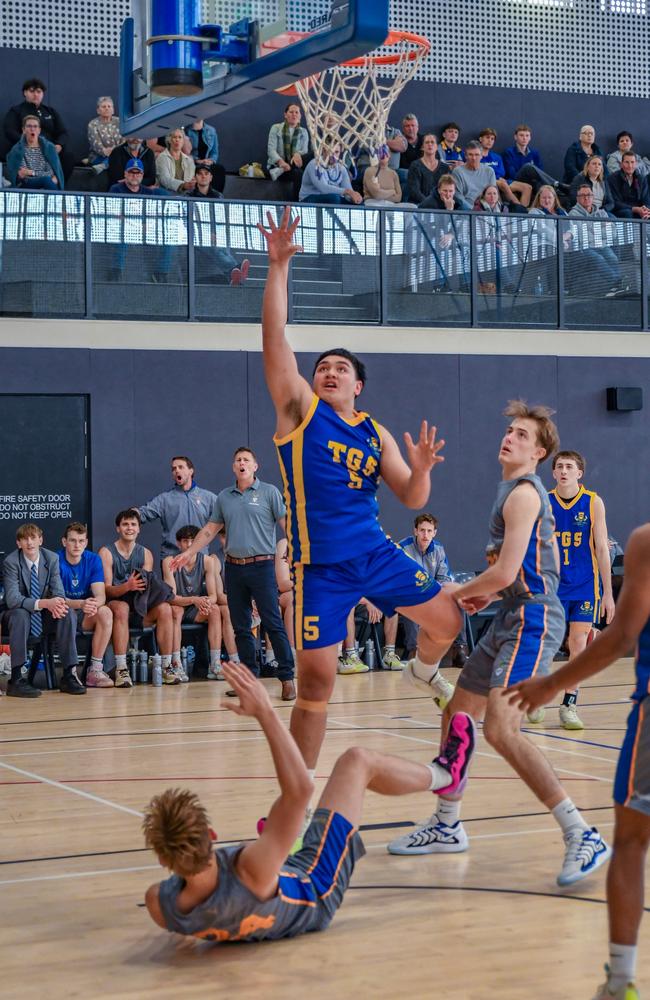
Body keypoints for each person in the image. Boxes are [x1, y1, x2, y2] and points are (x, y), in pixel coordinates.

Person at [249, 206, 462, 790]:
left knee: (449, 619)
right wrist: (277, 270)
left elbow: (411, 494)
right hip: (320, 569)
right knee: (317, 683)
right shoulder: (300, 411)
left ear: (358, 384)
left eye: (341, 367)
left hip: (374, 553)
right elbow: (275, 339)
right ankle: (296, 796)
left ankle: (422, 672)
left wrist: (421, 471)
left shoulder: (374, 432)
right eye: (323, 367)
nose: (329, 372)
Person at [387, 401, 611, 888]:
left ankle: (582, 833)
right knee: (457, 714)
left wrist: (456, 591)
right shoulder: (508, 489)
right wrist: (486, 592)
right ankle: (447, 823)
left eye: (523, 435)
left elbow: (510, 572)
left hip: (534, 618)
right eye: (509, 430)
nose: (510, 438)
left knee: (502, 730)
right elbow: (512, 571)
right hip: (511, 611)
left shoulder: (525, 495)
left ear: (540, 452)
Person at [142, 661, 476, 942]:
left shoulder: (161, 906)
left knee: (280, 831)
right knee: (356, 762)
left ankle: (284, 834)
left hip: (278, 894)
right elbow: (300, 790)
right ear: (211, 834)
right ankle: (447, 775)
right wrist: (265, 713)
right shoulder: (250, 868)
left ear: (162, 859)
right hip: (318, 884)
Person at [507, 522, 650, 1000]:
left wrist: (550, 684)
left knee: (630, 842)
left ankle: (619, 983)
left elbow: (622, 636)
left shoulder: (646, 540)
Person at [169, 447, 296, 701]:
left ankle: (287, 677)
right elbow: (209, 530)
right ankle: (249, 682)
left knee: (272, 623)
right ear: (233, 467)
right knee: (241, 628)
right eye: (237, 460)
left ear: (255, 466)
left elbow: (287, 526)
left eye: (246, 460)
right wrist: (190, 552)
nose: (241, 463)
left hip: (262, 566)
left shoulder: (269, 492)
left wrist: (297, 550)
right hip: (235, 568)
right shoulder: (224, 497)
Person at [544, 450, 615, 730]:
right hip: (554, 585)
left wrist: (608, 593)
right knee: (545, 645)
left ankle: (569, 703)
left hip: (586, 584)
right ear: (553, 473)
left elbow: (601, 548)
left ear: (579, 473)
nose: (563, 470)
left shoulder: (593, 502)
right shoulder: (545, 502)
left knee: (578, 643)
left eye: (569, 466)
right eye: (559, 466)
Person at [2, 523, 85, 697]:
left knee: (67, 612)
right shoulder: (11, 562)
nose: (29, 542)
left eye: (33, 538)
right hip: (17, 615)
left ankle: (69, 675)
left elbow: (59, 592)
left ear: (41, 540)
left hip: (43, 617)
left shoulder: (51, 558)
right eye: (25, 539)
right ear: (19, 543)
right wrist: (45, 603)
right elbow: (13, 600)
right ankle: (16, 679)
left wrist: (57, 604)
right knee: (20, 615)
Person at [99, 508, 177, 687]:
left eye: (133, 524)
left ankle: (166, 666)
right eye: (125, 524)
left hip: (139, 610)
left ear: (139, 529)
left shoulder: (146, 554)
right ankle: (121, 669)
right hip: (117, 610)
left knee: (166, 608)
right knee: (121, 607)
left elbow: (145, 591)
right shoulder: (106, 552)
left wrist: (139, 589)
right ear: (118, 528)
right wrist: (127, 586)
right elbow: (106, 590)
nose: (129, 528)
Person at [383, 513, 468, 669]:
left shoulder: (439, 550)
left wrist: (437, 592)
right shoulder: (403, 547)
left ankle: (459, 650)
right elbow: (399, 578)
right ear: (415, 531)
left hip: (433, 594)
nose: (425, 535)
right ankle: (414, 651)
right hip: (410, 594)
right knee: (411, 601)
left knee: (457, 600)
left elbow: (444, 579)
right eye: (422, 530)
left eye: (429, 531)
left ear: (434, 533)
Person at [163, 525, 224, 681]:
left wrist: (204, 602)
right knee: (176, 611)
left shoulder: (207, 561)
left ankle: (215, 664)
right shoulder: (169, 562)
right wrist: (194, 600)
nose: (189, 545)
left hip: (195, 607)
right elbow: (171, 597)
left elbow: (213, 596)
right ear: (178, 543)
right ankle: (176, 663)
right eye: (185, 541)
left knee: (215, 609)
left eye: (193, 541)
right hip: (178, 606)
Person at [58, 521, 114, 688]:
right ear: (64, 542)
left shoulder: (93, 559)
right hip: (62, 613)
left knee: (105, 612)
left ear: (86, 542)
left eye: (81, 541)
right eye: (73, 540)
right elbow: (56, 598)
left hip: (84, 611)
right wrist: (81, 603)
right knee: (66, 612)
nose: (77, 545)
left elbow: (101, 595)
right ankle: (71, 672)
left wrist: (91, 605)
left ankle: (94, 671)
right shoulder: (55, 560)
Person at [138, 455, 217, 560]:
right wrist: (133, 513)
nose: (176, 471)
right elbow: (142, 514)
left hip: (199, 557)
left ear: (191, 471)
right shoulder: (164, 499)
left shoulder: (208, 498)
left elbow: (227, 515)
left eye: (180, 467)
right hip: (172, 558)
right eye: (173, 469)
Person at [3, 77, 74, 181]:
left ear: (43, 94)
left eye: (39, 91)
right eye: (32, 91)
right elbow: (9, 130)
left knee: (69, 156)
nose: (35, 94)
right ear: (25, 93)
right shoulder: (16, 110)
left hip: (49, 148)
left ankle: (58, 184)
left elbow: (63, 132)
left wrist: (59, 145)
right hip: (27, 147)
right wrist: (29, 143)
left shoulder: (50, 111)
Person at [190, 165, 250, 285]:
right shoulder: (189, 196)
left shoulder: (218, 196)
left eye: (206, 174)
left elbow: (221, 218)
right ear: (195, 177)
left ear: (211, 177)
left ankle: (234, 276)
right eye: (200, 174)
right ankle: (235, 270)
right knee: (214, 247)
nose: (203, 176)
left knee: (220, 245)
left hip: (215, 234)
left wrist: (216, 233)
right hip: (196, 235)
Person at [567, 184, 622, 296]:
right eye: (582, 195)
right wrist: (600, 228)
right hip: (585, 247)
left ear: (593, 197)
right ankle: (616, 282)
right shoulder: (573, 214)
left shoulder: (601, 212)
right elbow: (582, 236)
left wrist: (591, 229)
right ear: (577, 198)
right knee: (598, 258)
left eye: (588, 195)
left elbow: (613, 233)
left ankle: (615, 288)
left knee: (613, 257)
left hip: (601, 244)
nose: (586, 198)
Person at [5, 115, 64, 190]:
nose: (32, 129)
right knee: (47, 180)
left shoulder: (49, 148)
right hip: (26, 183)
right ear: (23, 129)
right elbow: (23, 175)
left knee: (47, 180)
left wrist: (31, 172)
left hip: (46, 181)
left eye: (35, 126)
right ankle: (59, 200)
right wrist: (43, 176)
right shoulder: (17, 150)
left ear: (39, 130)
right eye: (29, 126)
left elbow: (50, 172)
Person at [503, 124, 560, 198]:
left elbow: (540, 173)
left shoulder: (534, 153)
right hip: (516, 181)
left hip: (532, 183)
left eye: (527, 136)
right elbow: (512, 174)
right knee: (528, 166)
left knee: (541, 185)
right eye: (521, 135)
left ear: (530, 138)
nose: (524, 138)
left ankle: (554, 190)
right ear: (515, 137)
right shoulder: (509, 152)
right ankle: (556, 184)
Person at [299, 138, 362, 205]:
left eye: (336, 152)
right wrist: (348, 191)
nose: (333, 155)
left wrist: (355, 198)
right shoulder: (315, 164)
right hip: (308, 199)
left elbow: (348, 193)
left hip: (331, 198)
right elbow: (324, 188)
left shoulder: (341, 168)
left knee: (358, 203)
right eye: (330, 152)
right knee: (334, 198)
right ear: (323, 151)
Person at [478, 127, 531, 206]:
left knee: (527, 187)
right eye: (487, 138)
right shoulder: (476, 156)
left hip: (500, 180)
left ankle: (524, 213)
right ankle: (521, 210)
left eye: (492, 139)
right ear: (480, 139)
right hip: (487, 181)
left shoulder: (496, 157)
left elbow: (502, 172)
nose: (490, 141)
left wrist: (497, 176)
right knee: (503, 184)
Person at [266, 103, 310, 199]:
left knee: (311, 156)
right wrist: (281, 162)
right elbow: (271, 150)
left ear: (300, 116)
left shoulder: (304, 132)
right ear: (285, 115)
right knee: (298, 174)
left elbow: (304, 150)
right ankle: (298, 203)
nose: (294, 114)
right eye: (291, 112)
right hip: (278, 165)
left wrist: (297, 154)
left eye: (296, 112)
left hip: (295, 164)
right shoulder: (276, 128)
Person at [452, 141, 497, 209]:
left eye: (477, 155)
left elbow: (493, 194)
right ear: (466, 156)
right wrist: (473, 210)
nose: (474, 158)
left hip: (486, 209)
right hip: (466, 210)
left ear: (481, 156)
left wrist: (484, 210)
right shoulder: (458, 172)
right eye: (470, 154)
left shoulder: (489, 171)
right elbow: (458, 197)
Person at [185, 119, 225, 193]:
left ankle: (216, 196)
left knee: (219, 169)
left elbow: (214, 152)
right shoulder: (187, 130)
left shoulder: (211, 130)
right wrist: (197, 160)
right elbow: (185, 152)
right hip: (192, 161)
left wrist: (211, 160)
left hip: (207, 162)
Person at [406, 133, 446, 205]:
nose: (430, 144)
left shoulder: (445, 168)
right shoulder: (415, 165)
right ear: (422, 147)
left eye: (432, 142)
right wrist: (430, 204)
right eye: (427, 142)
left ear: (437, 147)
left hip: (439, 205)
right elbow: (414, 191)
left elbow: (447, 190)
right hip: (418, 204)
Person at [609, 151, 650, 219]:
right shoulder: (613, 178)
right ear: (621, 164)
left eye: (632, 162)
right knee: (628, 212)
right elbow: (615, 202)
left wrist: (646, 209)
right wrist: (634, 209)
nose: (630, 166)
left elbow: (646, 200)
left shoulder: (641, 178)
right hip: (621, 210)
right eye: (627, 162)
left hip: (639, 209)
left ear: (636, 164)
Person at [87, 96, 123, 171]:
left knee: (118, 158)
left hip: (118, 154)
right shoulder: (93, 124)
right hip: (99, 156)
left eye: (109, 106)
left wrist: (115, 151)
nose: (107, 108)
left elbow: (124, 140)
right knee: (117, 160)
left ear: (113, 110)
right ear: (98, 110)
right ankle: (105, 164)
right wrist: (107, 151)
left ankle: (103, 166)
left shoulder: (120, 122)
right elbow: (96, 145)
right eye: (103, 106)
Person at [156, 128, 196, 194]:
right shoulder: (162, 157)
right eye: (174, 137)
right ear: (169, 140)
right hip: (167, 193)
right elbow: (164, 180)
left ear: (183, 141)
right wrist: (183, 185)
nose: (177, 140)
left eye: (180, 137)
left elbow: (190, 180)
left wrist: (189, 185)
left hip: (186, 194)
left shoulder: (189, 160)